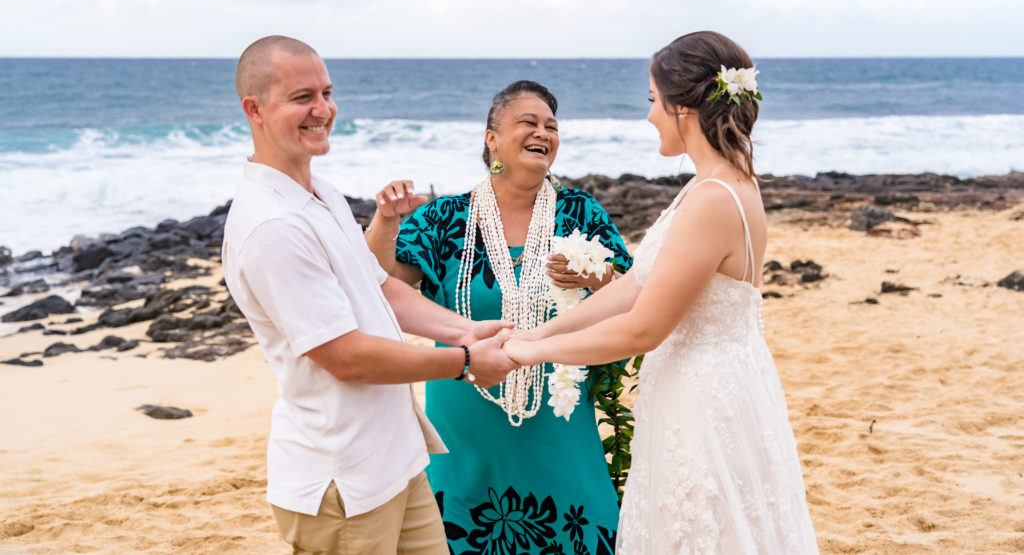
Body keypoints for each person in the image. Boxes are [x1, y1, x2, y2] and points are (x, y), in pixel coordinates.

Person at [503, 32, 819, 553]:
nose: (650, 115)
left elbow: (644, 327)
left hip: (705, 397)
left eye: (653, 101)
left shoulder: (714, 198)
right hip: (706, 384)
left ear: (682, 106)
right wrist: (540, 330)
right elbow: (634, 285)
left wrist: (528, 354)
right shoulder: (712, 184)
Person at [221, 35, 517, 554]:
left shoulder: (322, 192)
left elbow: (378, 287)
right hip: (341, 482)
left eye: (327, 92)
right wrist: (466, 361)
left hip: (396, 459)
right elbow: (345, 357)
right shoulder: (271, 225)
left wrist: (464, 330)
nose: (323, 110)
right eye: (301, 97)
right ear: (255, 109)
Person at [364, 80, 633, 554]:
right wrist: (386, 220)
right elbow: (378, 281)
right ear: (492, 139)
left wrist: (595, 276)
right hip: (464, 416)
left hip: (557, 416)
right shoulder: (446, 218)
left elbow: (635, 295)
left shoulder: (580, 213)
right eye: (528, 122)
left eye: (551, 126)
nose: (543, 132)